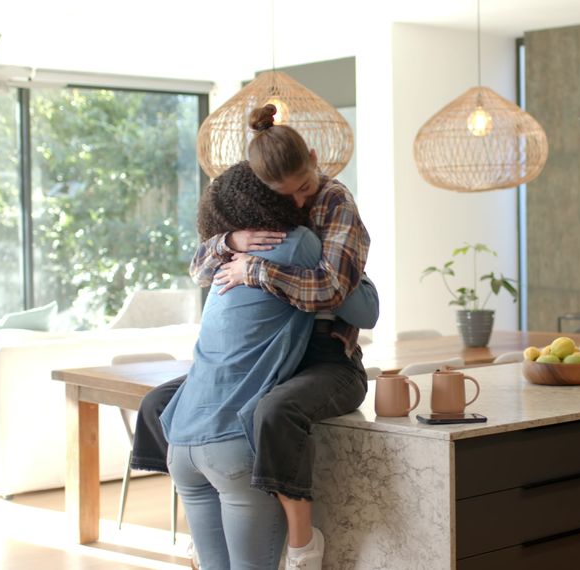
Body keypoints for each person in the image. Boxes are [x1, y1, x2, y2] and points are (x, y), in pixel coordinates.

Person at [134, 104, 372, 569]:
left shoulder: (335, 202)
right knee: (163, 400)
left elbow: (333, 288)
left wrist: (257, 270)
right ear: (267, 192)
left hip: (325, 353)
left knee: (269, 410)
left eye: (304, 188)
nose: (299, 203)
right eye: (287, 196)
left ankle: (302, 542)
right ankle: (202, 511)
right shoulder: (258, 217)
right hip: (269, 368)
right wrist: (231, 243)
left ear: (316, 158)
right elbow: (201, 268)